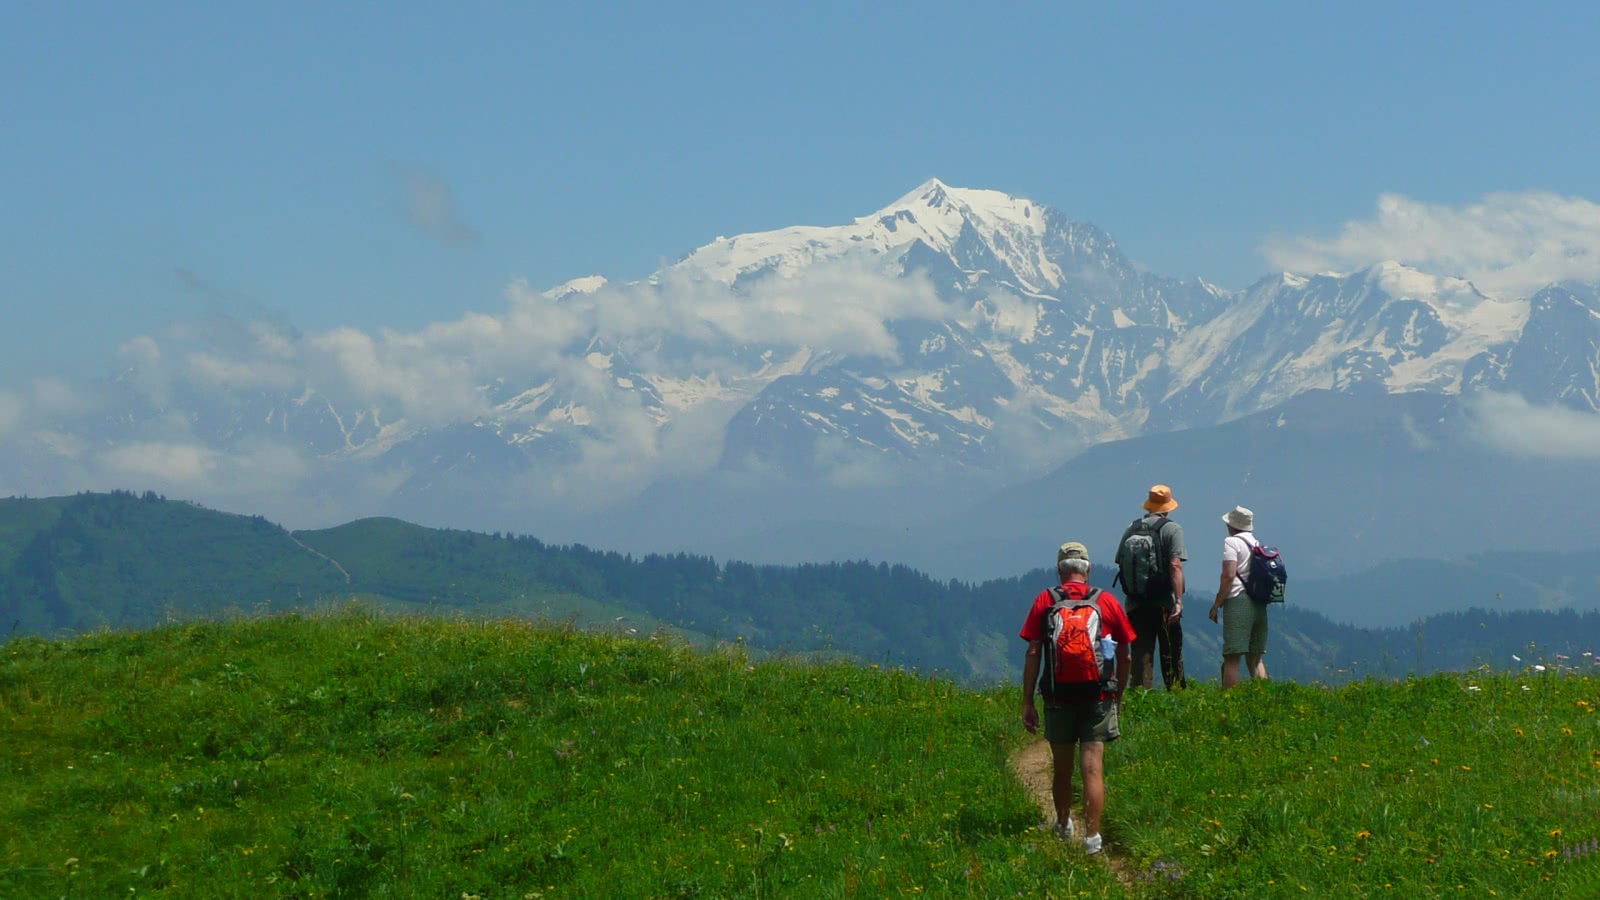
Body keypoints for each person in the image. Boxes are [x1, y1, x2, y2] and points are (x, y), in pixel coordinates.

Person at [1020, 541, 1135, 855]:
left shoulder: (1045, 600)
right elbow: (1125, 655)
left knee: (1062, 768)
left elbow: (1033, 651)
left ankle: (1063, 824)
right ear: (1089, 570)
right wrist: (1118, 695)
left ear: (1060, 571)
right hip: (1098, 696)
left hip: (1058, 697)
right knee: (1093, 769)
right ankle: (1093, 839)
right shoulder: (1107, 602)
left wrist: (1028, 701)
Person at [1113, 484, 1188, 691]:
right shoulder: (1172, 529)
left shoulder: (1132, 527)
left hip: (1136, 603)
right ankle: (1176, 697)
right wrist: (1179, 602)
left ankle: (1140, 697)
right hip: (1164, 602)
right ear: (1168, 506)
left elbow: (1120, 560)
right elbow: (1175, 565)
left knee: (1141, 653)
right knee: (1171, 652)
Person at [1207, 506, 1269, 688]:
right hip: (1259, 601)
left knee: (1232, 657)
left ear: (1233, 526)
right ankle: (1263, 698)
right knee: (1255, 657)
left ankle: (1231, 700)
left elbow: (1229, 576)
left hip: (1238, 600)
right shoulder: (1257, 544)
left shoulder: (1232, 542)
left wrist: (1217, 604)